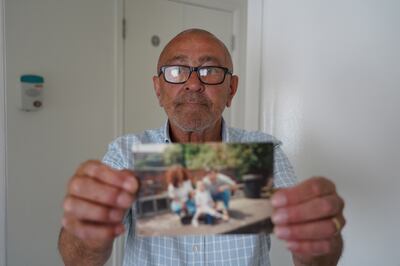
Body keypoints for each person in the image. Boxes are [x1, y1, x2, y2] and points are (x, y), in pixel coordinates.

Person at [58, 28, 345, 266]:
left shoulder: (265, 151)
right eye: (176, 70)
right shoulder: (125, 152)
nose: (193, 83)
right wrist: (85, 234)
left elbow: (313, 256)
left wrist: (318, 237)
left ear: (231, 89)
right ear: (158, 89)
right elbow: (78, 260)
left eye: (209, 70)